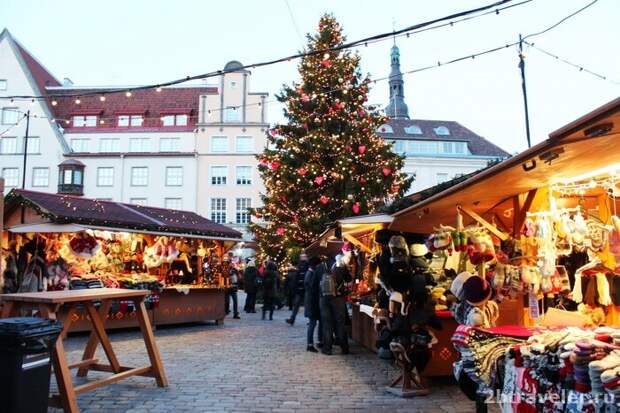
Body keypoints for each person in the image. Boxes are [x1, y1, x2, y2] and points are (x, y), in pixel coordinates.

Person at [320, 257, 352, 355]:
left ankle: (327, 348)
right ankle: (344, 348)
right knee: (340, 323)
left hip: (324, 299)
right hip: (338, 298)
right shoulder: (341, 266)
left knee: (327, 324)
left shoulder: (320, 267)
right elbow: (349, 279)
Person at [304, 256, 324, 352]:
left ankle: (320, 341)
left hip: (313, 302)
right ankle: (310, 344)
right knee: (312, 323)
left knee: (318, 322)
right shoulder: (311, 274)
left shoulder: (310, 273)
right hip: (312, 303)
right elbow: (312, 289)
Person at [286, 253, 309, 325]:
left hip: (306, 289)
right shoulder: (299, 266)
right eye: (301, 257)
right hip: (299, 289)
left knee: (307, 305)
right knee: (296, 305)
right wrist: (295, 287)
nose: (303, 258)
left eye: (304, 256)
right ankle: (292, 319)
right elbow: (296, 277)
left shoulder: (307, 265)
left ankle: (310, 319)